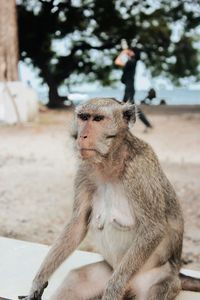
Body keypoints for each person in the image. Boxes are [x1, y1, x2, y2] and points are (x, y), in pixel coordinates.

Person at [115, 47, 153, 130]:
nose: (129, 51)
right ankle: (125, 125)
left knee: (129, 107)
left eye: (131, 51)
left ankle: (146, 125)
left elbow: (117, 61)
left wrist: (123, 52)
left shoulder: (131, 62)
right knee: (127, 107)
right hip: (129, 87)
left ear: (134, 54)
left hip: (129, 88)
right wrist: (126, 52)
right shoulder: (131, 61)